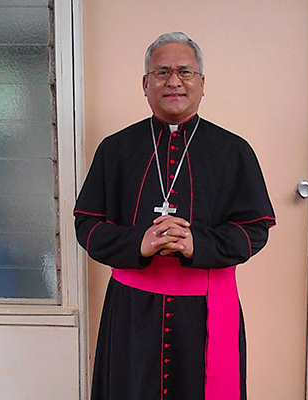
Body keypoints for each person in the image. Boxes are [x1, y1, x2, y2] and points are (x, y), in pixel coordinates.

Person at [74, 32, 276, 400]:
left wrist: (198, 242)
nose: (173, 81)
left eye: (185, 72)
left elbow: (255, 229)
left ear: (202, 84)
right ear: (145, 84)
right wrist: (139, 242)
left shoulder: (233, 151)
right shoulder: (116, 149)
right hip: (132, 310)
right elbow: (87, 225)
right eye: (161, 72)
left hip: (204, 313)